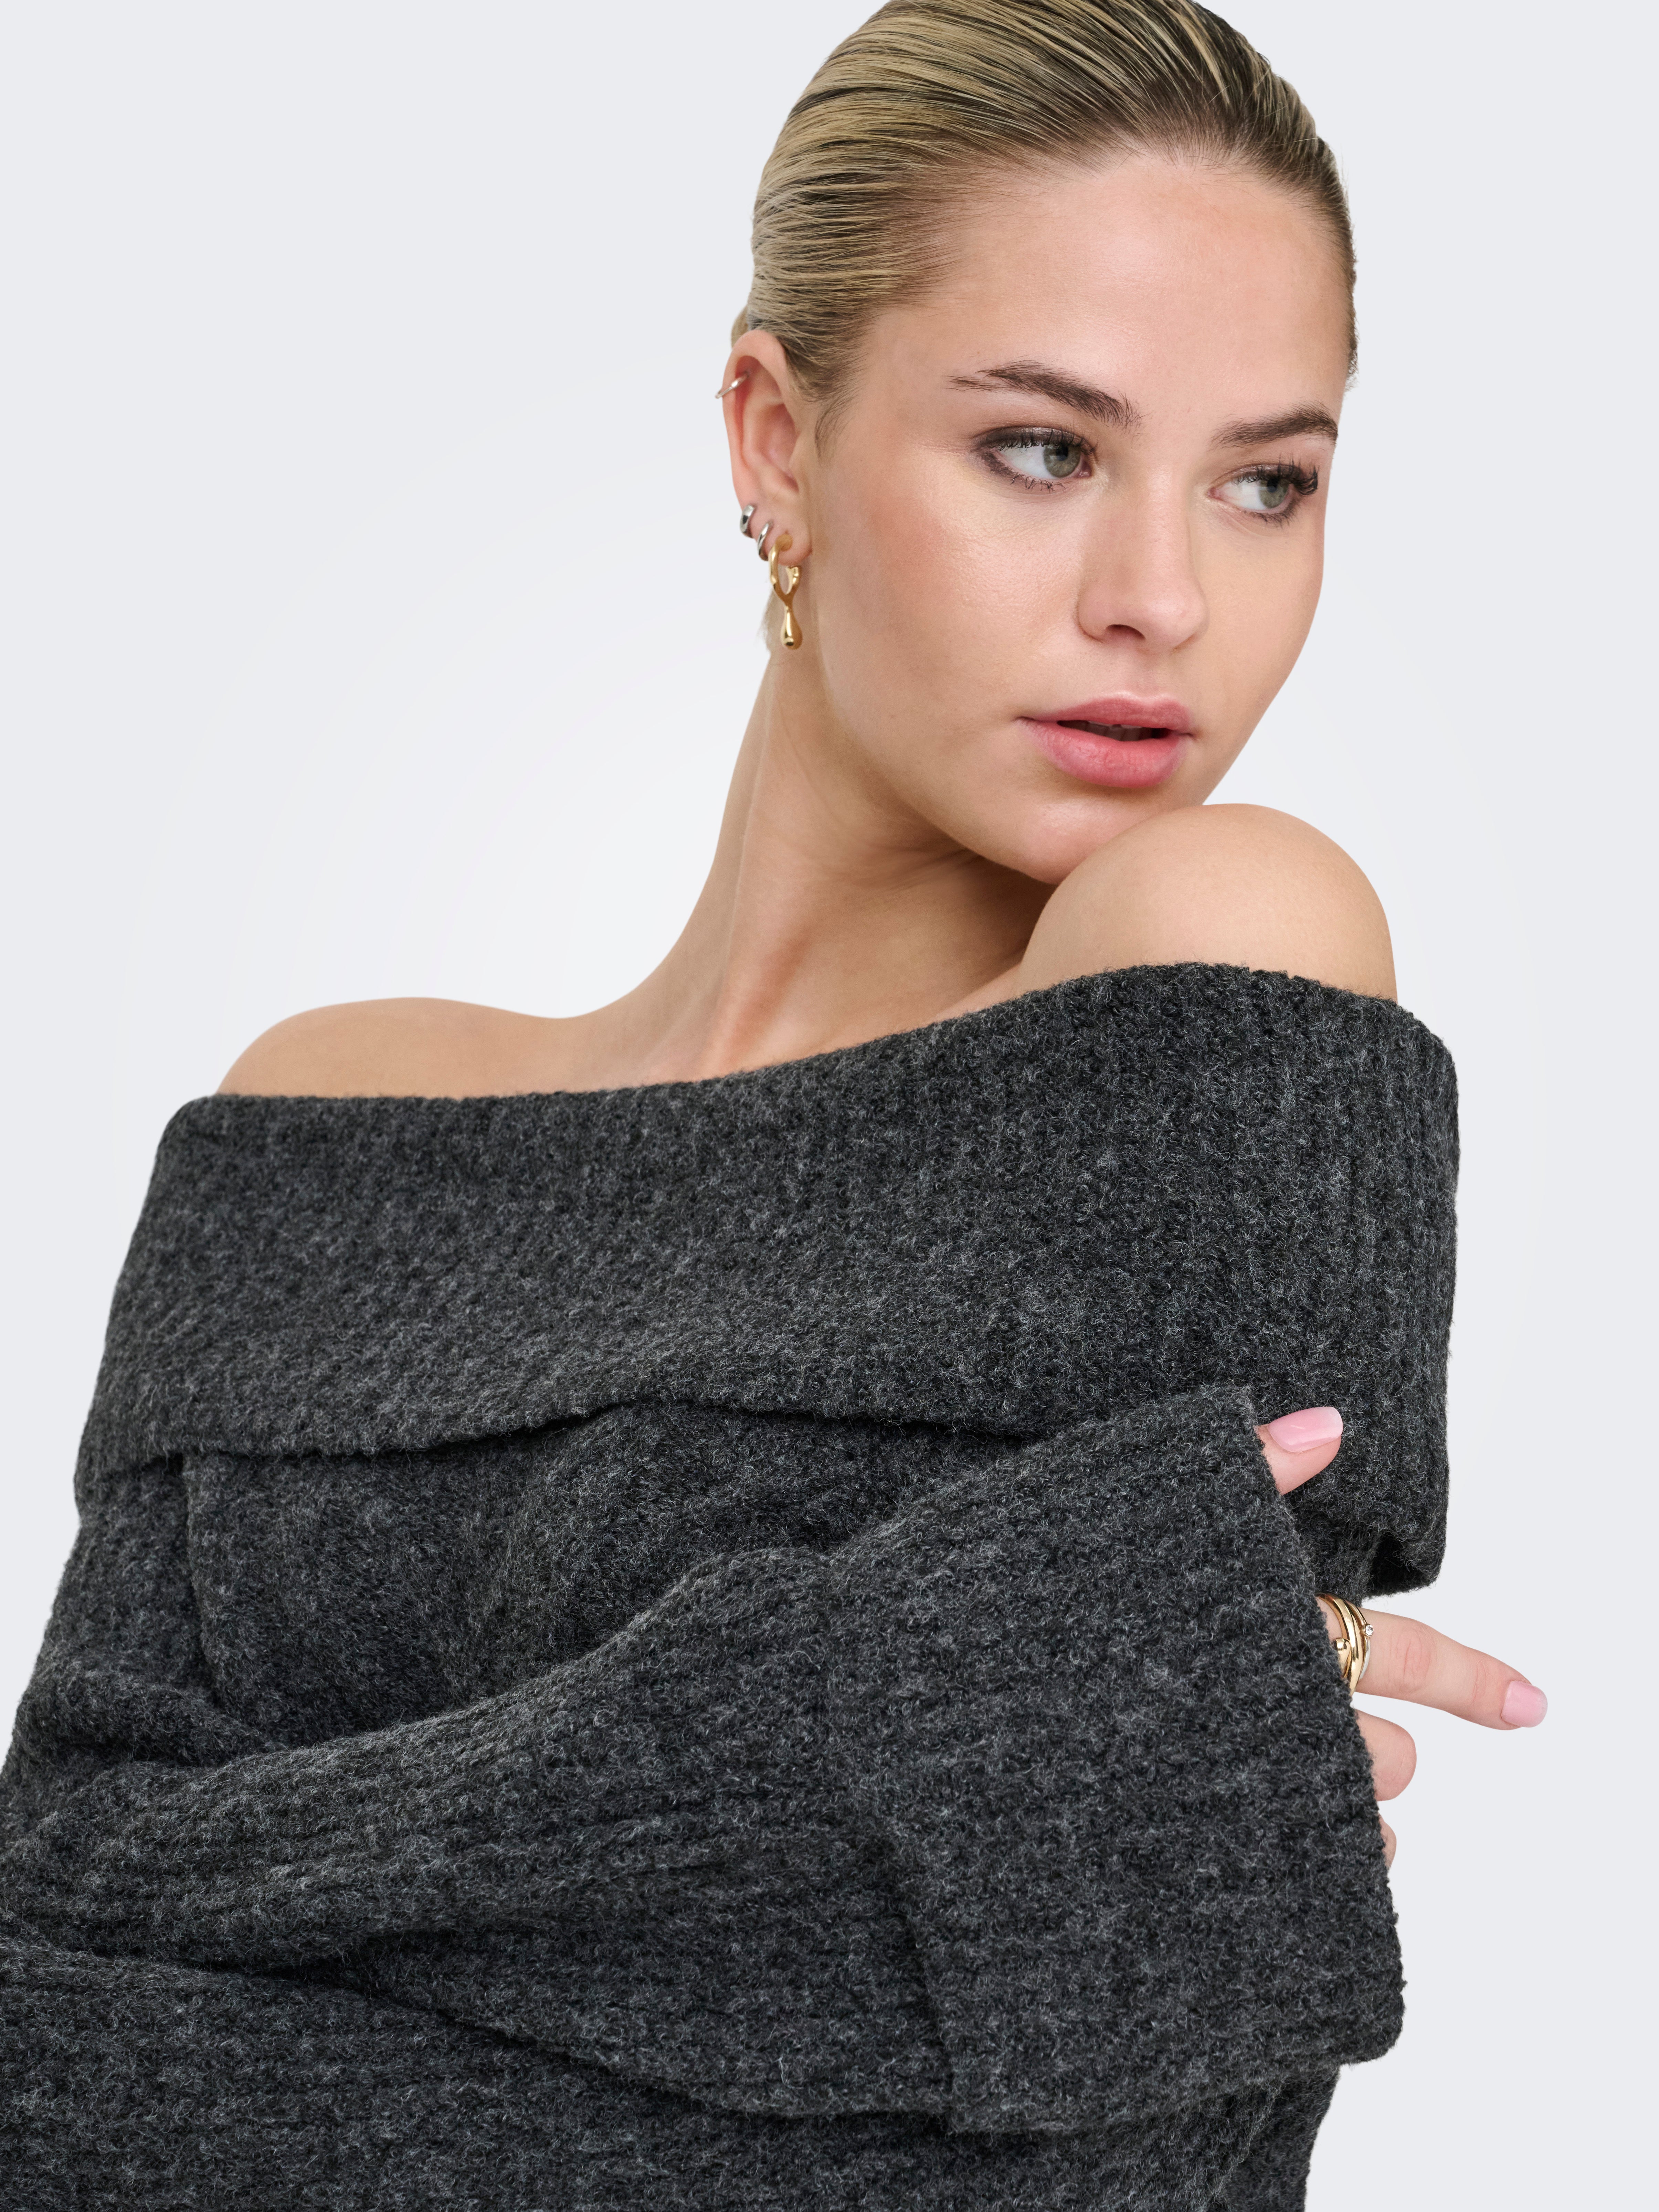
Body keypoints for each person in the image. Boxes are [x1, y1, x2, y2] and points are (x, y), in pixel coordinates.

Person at [0, 4, 1544, 2206]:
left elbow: (1094, 2159)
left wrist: (272, 1932)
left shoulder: (1221, 954)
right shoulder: (321, 1113)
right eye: (1041, 448)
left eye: (1263, 483)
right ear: (774, 439)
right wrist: (889, 1723)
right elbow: (46, 1965)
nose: (1163, 601)